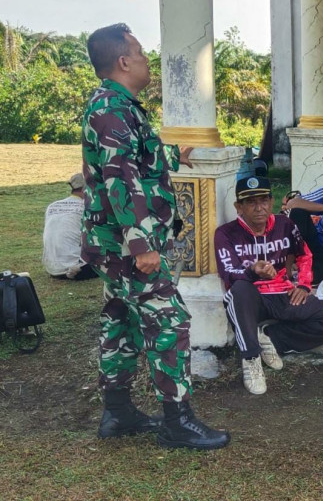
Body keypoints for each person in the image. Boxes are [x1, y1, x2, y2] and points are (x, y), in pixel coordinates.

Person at [81, 23, 229, 450]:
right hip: (127, 246)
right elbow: (118, 181)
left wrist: (169, 155)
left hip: (114, 244)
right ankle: (177, 421)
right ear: (123, 61)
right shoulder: (111, 107)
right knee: (170, 321)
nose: (148, 60)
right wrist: (142, 245)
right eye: (141, 53)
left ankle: (118, 411)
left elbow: (133, 159)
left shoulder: (119, 105)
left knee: (123, 318)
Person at [215, 170, 323, 395]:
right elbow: (228, 273)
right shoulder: (226, 233)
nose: (259, 207)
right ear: (238, 207)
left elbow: (304, 255)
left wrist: (304, 285)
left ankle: (269, 337)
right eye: (250, 202)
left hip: (283, 293)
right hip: (252, 300)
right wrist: (252, 271)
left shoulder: (285, 225)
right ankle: (251, 358)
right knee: (238, 290)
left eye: (263, 200)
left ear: (272, 201)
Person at [42, 173, 97, 280]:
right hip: (79, 269)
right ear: (85, 189)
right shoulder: (87, 207)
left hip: (53, 269)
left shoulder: (53, 206)